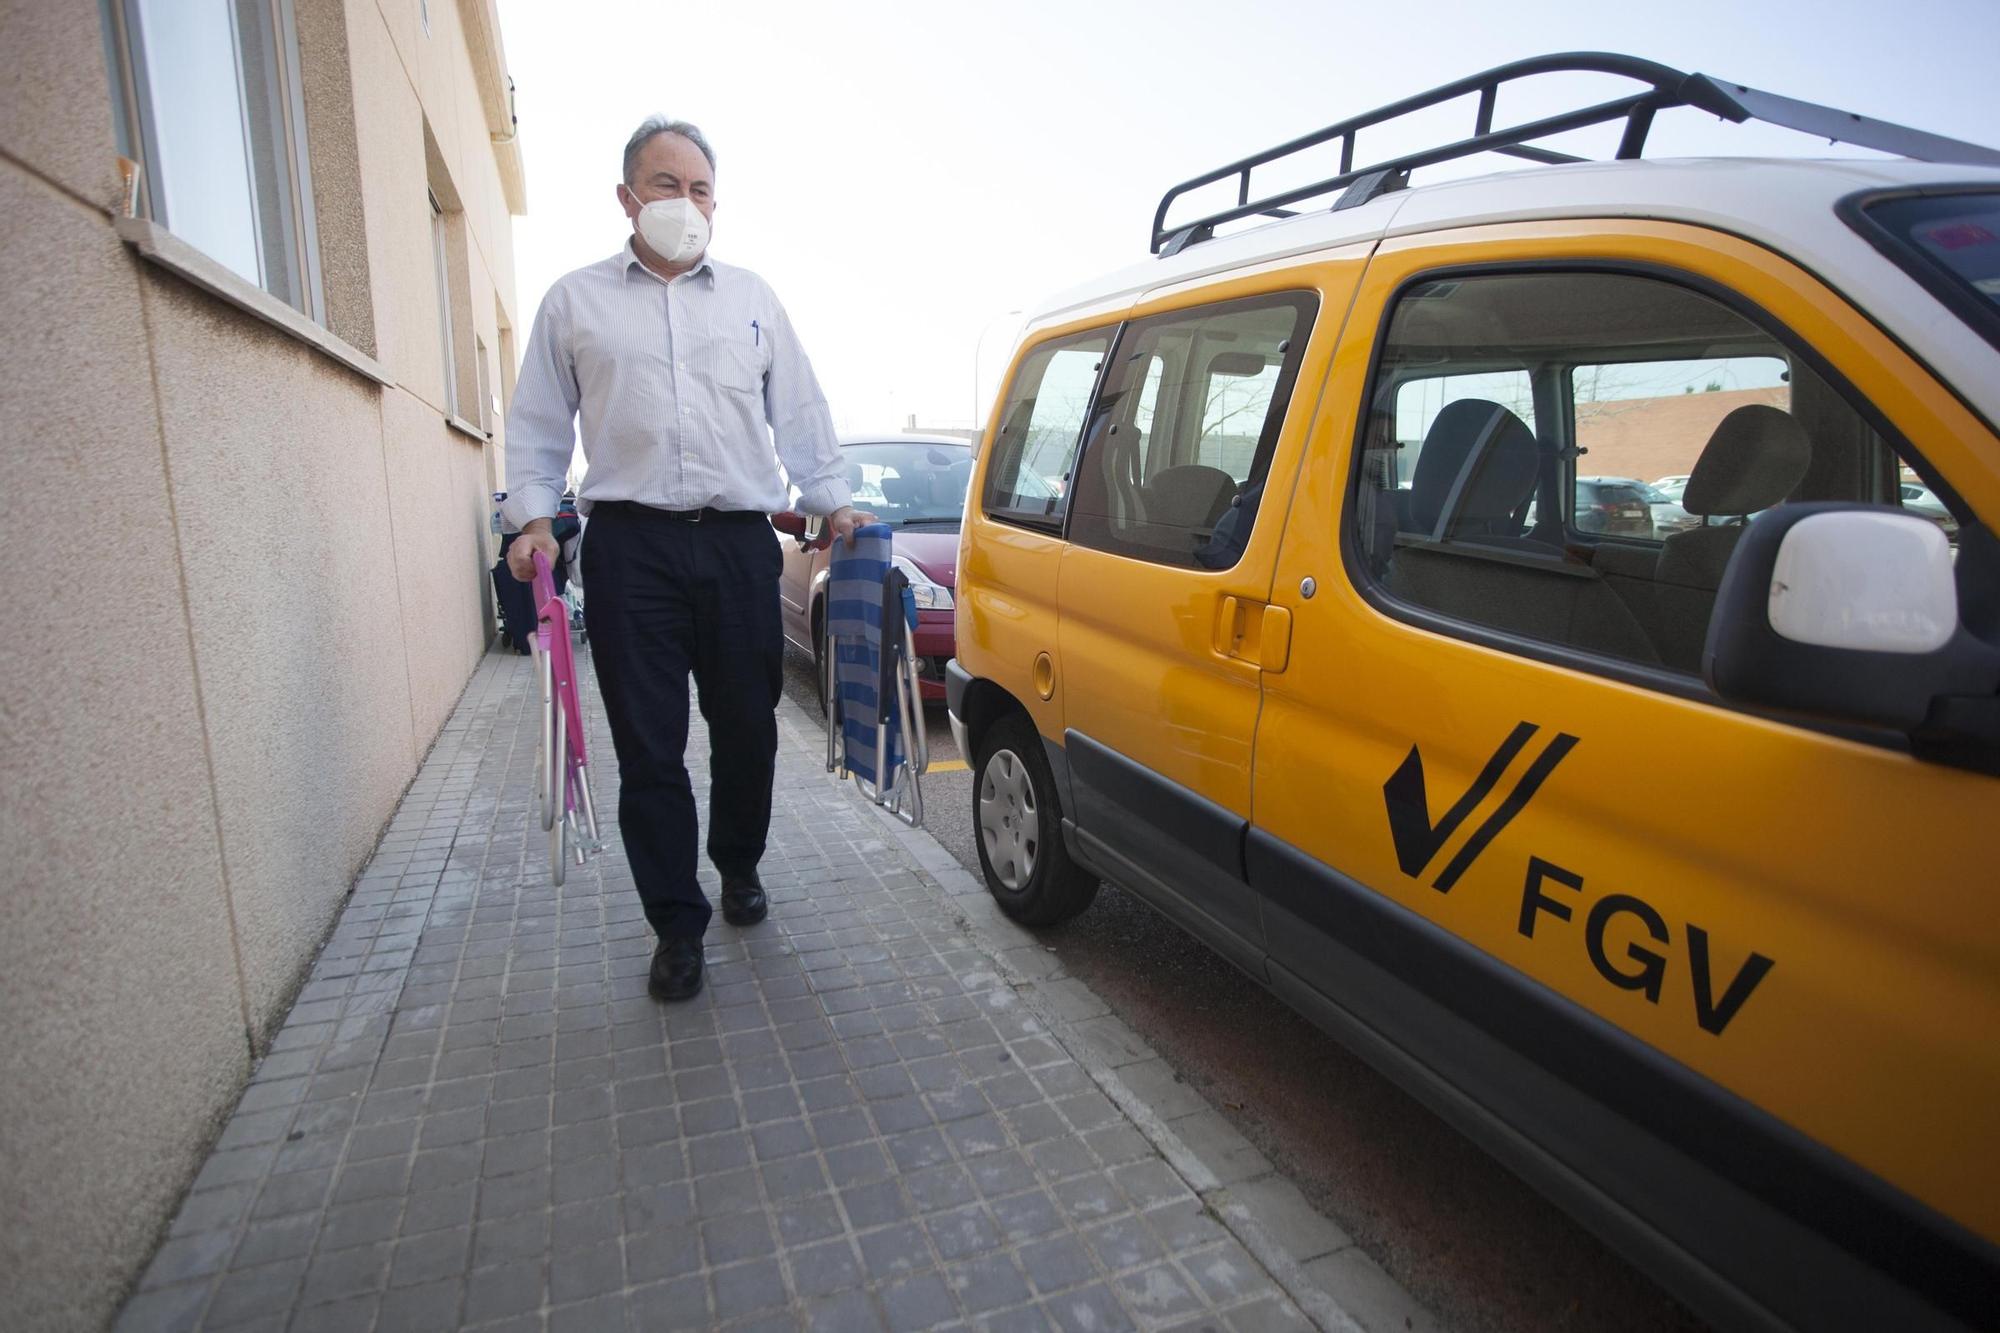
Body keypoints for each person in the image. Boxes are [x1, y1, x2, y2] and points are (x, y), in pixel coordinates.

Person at [502, 116, 873, 1002]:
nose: (687, 201)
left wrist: (834, 498)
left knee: (748, 727)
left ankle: (737, 862)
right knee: (651, 747)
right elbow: (538, 428)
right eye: (667, 185)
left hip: (742, 543)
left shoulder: (751, 297)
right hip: (631, 547)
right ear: (627, 198)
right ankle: (676, 922)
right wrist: (532, 520)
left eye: (701, 188)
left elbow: (803, 409)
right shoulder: (575, 301)